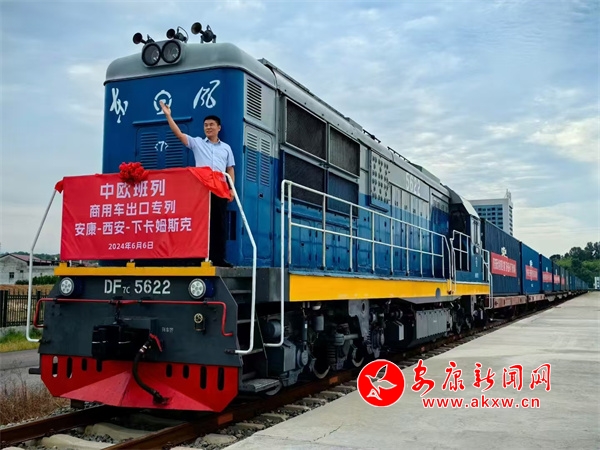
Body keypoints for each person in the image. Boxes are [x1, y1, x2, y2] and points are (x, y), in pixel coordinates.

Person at [160, 101, 235, 268]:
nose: (208, 127)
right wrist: (168, 116)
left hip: (220, 190)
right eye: (206, 125)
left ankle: (218, 259)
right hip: (200, 190)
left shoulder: (226, 148)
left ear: (218, 128)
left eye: (211, 125)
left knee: (219, 225)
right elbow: (179, 135)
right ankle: (196, 257)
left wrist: (232, 189)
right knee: (198, 224)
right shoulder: (197, 143)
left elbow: (230, 169)